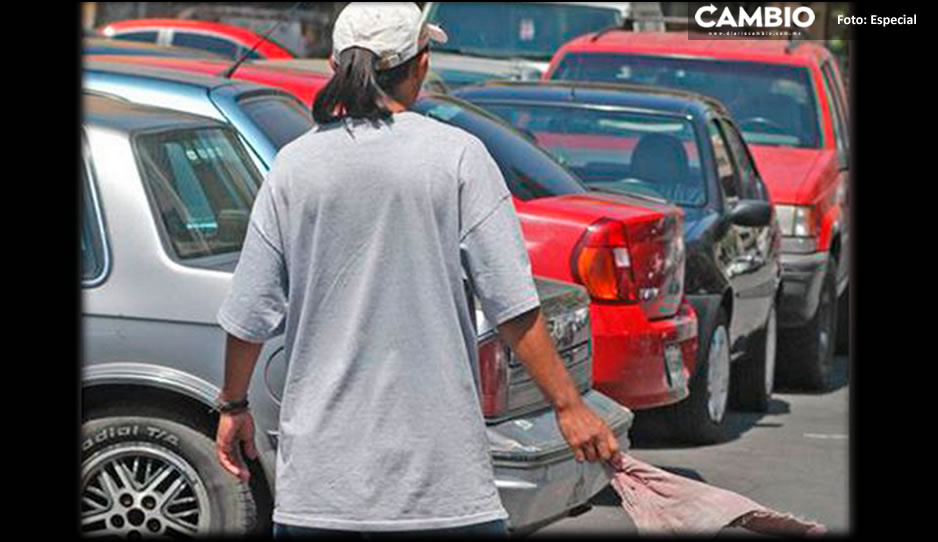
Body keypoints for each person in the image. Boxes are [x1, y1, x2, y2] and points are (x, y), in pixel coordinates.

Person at [213, 3, 620, 538]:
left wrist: (234, 405)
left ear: (335, 64)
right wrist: (569, 406)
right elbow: (511, 305)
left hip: (319, 489)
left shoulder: (294, 165)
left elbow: (249, 314)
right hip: (441, 490)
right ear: (421, 65)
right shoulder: (457, 157)